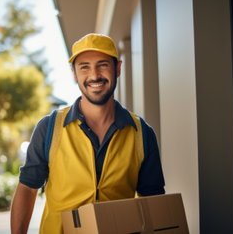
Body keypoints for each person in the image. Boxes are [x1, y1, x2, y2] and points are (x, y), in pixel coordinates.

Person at [10, 33, 165, 234]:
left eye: (102, 65)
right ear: (74, 74)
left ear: (117, 68)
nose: (94, 75)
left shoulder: (142, 133)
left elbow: (153, 200)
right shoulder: (49, 128)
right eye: (84, 67)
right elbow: (28, 189)